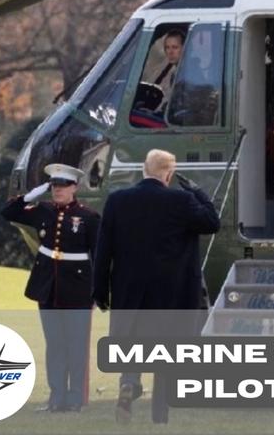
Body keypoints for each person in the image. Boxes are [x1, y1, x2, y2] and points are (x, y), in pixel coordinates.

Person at [92, 149, 220, 424]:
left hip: (130, 291)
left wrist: (100, 291)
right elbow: (212, 223)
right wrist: (198, 192)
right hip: (170, 293)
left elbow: (103, 249)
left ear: (144, 169)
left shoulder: (118, 200)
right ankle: (160, 415)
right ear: (169, 174)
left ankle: (129, 383)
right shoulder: (181, 200)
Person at [1, 164, 100, 413]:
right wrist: (32, 194)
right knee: (54, 344)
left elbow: (98, 256)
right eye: (54, 185)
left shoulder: (88, 217)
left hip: (77, 289)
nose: (58, 190)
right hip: (48, 287)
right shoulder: (42, 210)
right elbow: (8, 212)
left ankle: (75, 399)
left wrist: (98, 290)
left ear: (74, 187)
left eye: (63, 186)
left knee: (76, 346)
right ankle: (56, 398)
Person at [153, 29, 185, 112]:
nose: (170, 52)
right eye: (167, 47)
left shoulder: (187, 73)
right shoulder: (177, 73)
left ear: (184, 48)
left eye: (175, 47)